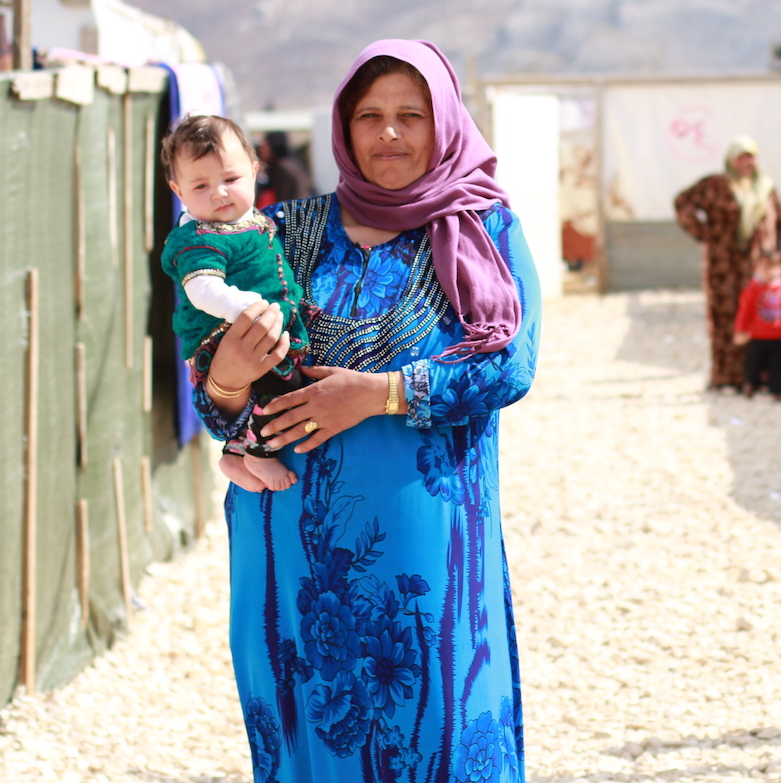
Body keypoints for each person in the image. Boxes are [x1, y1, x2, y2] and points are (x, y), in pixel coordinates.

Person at [192, 39, 541, 780]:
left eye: (410, 115)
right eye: (370, 115)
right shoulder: (278, 232)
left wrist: (377, 394)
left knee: (434, 721)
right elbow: (213, 389)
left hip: (422, 550)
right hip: (287, 545)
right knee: (306, 734)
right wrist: (225, 381)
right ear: (343, 128)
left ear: (444, 122)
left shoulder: (486, 234)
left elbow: (508, 365)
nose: (389, 133)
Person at [159, 114, 310, 492]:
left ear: (255, 170)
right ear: (178, 191)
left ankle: (235, 455)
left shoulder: (252, 220)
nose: (219, 193)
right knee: (277, 390)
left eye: (230, 179)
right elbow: (202, 288)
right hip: (226, 332)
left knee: (274, 385)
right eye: (201, 185)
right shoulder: (198, 237)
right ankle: (258, 453)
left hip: (259, 325)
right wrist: (242, 307)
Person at [674, 136, 781, 391]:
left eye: (751, 156)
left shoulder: (765, 188)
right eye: (741, 157)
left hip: (759, 268)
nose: (747, 162)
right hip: (724, 267)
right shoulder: (716, 185)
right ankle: (727, 376)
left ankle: (759, 377)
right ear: (731, 160)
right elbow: (682, 204)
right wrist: (705, 234)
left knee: (762, 318)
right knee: (726, 319)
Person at [733, 250, 781, 399]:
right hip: (757, 335)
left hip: (778, 336)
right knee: (753, 364)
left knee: (779, 365)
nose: (770, 272)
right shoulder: (752, 289)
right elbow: (745, 311)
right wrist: (740, 330)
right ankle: (751, 385)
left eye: (774, 267)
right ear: (758, 269)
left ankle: (777, 390)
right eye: (765, 267)